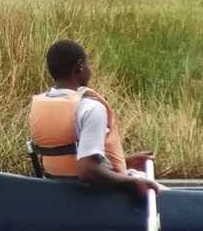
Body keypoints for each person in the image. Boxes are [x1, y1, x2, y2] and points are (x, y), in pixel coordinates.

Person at [26, 40, 156, 198]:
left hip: (57, 194)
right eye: (88, 63)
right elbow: (88, 170)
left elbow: (71, 160)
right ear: (79, 67)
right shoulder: (91, 108)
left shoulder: (40, 105)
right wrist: (133, 183)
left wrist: (125, 162)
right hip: (93, 197)